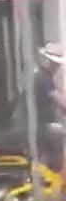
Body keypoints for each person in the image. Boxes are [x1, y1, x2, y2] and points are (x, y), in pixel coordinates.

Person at [33, 42, 66, 172]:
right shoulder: (44, 77)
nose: (56, 66)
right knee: (61, 134)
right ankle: (58, 177)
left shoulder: (40, 75)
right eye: (54, 63)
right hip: (40, 126)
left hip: (35, 123)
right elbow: (61, 101)